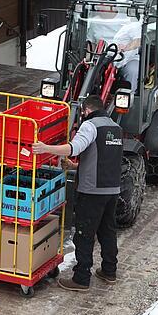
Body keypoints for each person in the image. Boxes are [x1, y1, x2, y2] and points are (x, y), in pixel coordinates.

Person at [33, 95, 123, 291]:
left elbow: (74, 147)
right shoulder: (115, 128)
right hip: (112, 189)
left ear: (86, 111)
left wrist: (45, 148)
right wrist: (75, 166)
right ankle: (109, 270)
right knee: (107, 230)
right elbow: (103, 159)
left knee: (84, 234)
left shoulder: (90, 126)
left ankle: (81, 278)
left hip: (92, 190)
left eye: (82, 112)